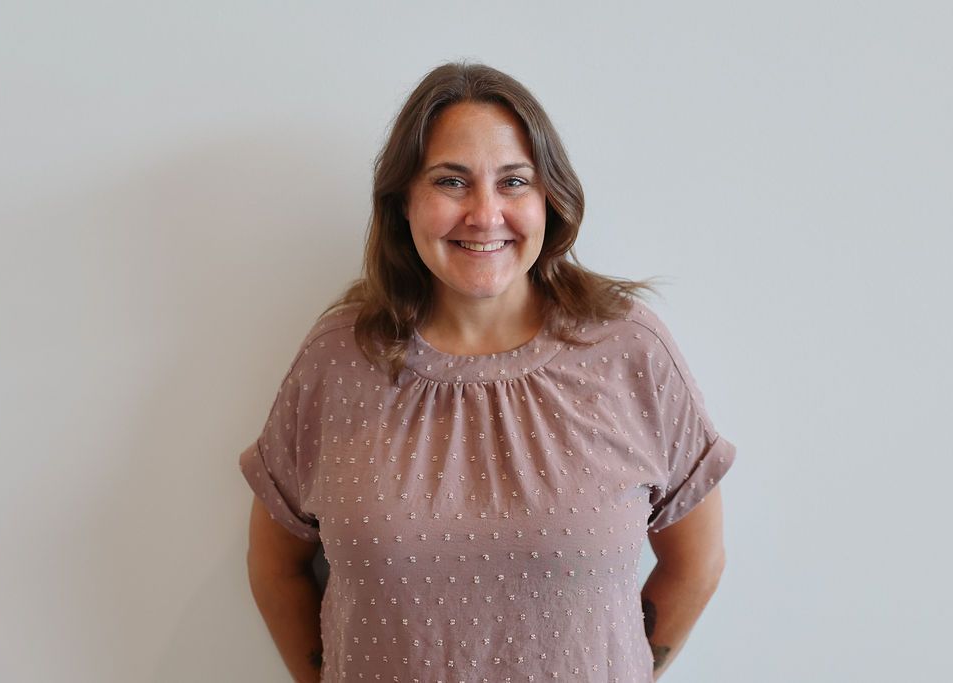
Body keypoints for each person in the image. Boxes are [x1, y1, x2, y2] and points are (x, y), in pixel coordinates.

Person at [239, 61, 737, 683]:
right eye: (451, 181)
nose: (484, 214)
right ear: (403, 202)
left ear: (548, 198)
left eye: (513, 182)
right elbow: (275, 563)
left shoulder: (629, 351)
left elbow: (696, 562)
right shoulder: (340, 357)